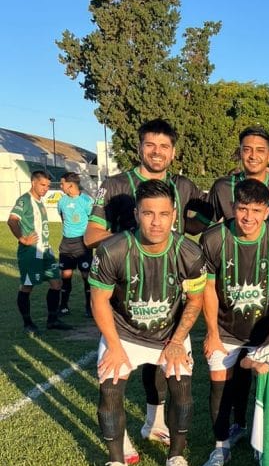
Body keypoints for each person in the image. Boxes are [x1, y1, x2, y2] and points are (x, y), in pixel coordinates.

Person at [85, 118, 210, 446]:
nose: (157, 152)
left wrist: (182, 238)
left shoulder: (184, 186)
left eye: (164, 146)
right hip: (126, 290)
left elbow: (204, 220)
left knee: (162, 362)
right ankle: (121, 438)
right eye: (150, 145)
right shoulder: (116, 185)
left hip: (169, 289)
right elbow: (91, 235)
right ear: (139, 147)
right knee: (120, 364)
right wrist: (136, 242)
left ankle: (154, 422)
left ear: (173, 152)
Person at [88, 179, 207, 466]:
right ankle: (116, 462)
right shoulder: (112, 249)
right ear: (136, 214)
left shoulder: (190, 252)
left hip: (169, 334)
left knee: (182, 391)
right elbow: (99, 300)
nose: (156, 222)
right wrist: (114, 346)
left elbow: (195, 300)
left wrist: (177, 341)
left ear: (174, 216)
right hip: (123, 333)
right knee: (110, 390)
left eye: (164, 214)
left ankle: (176, 456)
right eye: (148, 213)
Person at [198, 179, 269, 466]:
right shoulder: (213, 238)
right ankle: (220, 447)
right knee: (220, 382)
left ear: (267, 212)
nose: (248, 217)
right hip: (226, 328)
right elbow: (207, 289)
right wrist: (212, 333)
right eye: (243, 209)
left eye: (256, 210)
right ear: (233, 208)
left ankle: (264, 442)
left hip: (265, 329)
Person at [208, 125, 269, 230]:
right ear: (240, 153)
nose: (253, 156)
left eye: (260, 150)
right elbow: (202, 223)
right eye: (247, 150)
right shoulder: (222, 187)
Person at [8, 169, 70, 334]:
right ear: (33, 182)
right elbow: (12, 220)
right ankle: (27, 323)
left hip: (46, 252)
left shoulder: (40, 201)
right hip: (31, 252)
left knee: (56, 283)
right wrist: (22, 239)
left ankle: (52, 320)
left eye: (48, 186)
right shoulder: (25, 200)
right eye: (43, 185)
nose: (46, 189)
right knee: (27, 286)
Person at [57, 172, 94, 316]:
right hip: (66, 243)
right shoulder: (62, 201)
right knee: (66, 275)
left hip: (83, 243)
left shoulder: (86, 201)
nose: (61, 186)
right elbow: (63, 218)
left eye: (62, 183)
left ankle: (89, 307)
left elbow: (93, 222)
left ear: (71, 185)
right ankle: (63, 306)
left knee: (86, 276)